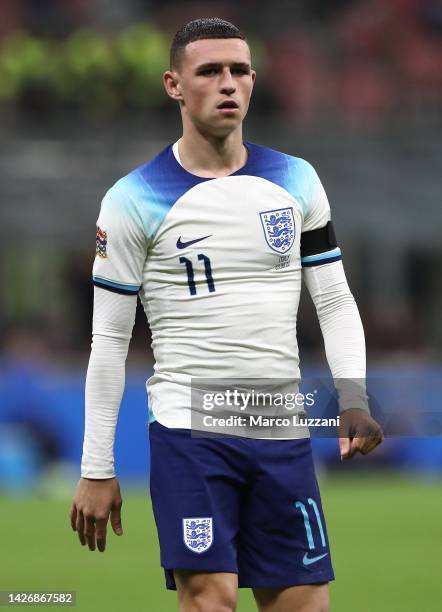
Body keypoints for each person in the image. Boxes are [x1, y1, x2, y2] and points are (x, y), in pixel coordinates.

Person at [71, 17, 383, 612]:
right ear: (174, 85)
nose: (228, 83)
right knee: (210, 599)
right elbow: (109, 340)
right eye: (209, 71)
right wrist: (96, 466)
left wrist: (354, 396)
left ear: (254, 81)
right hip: (190, 429)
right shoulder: (133, 198)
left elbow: (336, 299)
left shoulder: (296, 179)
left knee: (305, 603)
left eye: (239, 70)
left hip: (279, 423)